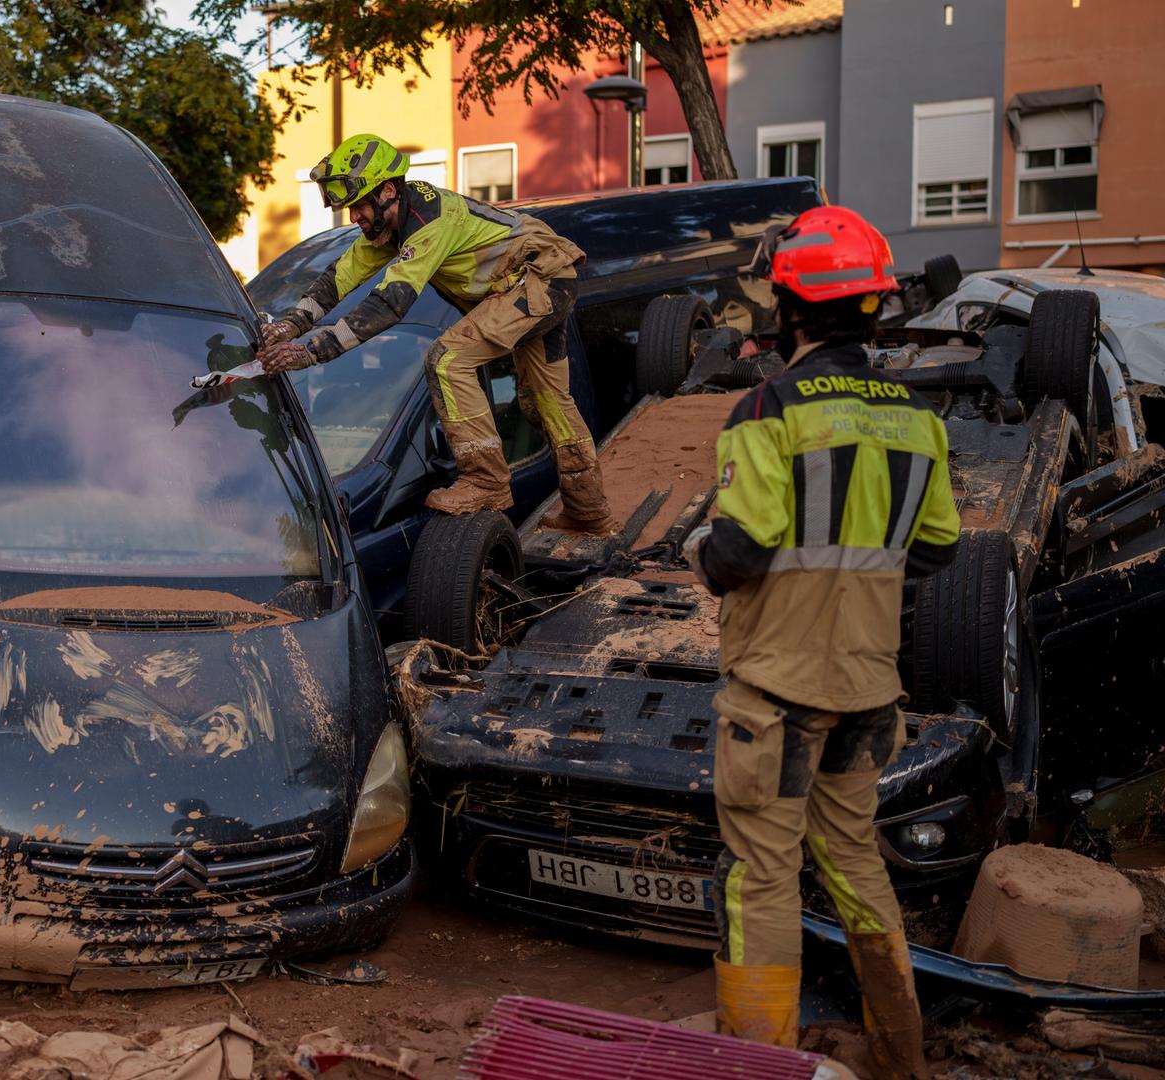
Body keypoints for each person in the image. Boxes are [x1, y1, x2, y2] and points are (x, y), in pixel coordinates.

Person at [683, 205, 959, 1078]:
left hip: (775, 691)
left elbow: (737, 552)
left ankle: (761, 1066)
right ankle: (900, 1055)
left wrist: (694, 548)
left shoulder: (768, 407)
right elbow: (939, 547)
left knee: (759, 877)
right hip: (869, 689)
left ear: (790, 308)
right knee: (854, 867)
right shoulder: (918, 417)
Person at [256, 134, 615, 531]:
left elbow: (390, 303)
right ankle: (588, 510)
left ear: (388, 191)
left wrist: (309, 353)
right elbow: (338, 278)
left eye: (357, 206)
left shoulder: (428, 223)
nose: (353, 217)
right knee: (546, 401)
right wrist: (291, 324)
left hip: (536, 280)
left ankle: (486, 480)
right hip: (544, 281)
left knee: (448, 360)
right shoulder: (392, 222)